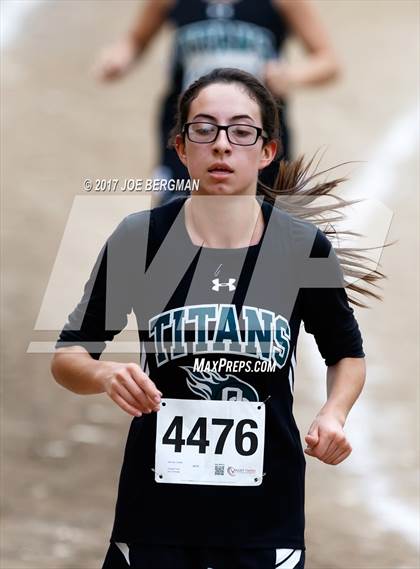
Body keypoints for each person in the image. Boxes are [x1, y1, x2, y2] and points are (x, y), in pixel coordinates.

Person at [52, 68, 367, 569]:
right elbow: (70, 353)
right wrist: (105, 373)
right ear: (180, 147)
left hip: (266, 510)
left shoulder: (301, 247)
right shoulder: (140, 239)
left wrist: (334, 413)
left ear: (267, 151)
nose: (222, 146)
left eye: (242, 131)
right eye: (204, 129)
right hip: (156, 509)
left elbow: (346, 353)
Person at [95, 0, 340, 196]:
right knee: (175, 224)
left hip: (255, 136)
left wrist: (291, 76)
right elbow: (135, 40)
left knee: (263, 230)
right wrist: (119, 58)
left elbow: (328, 61)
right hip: (190, 134)